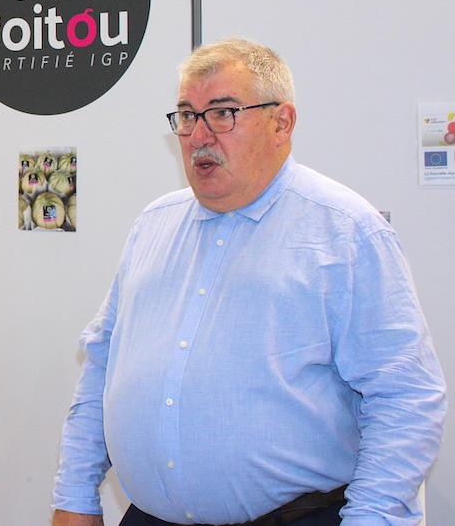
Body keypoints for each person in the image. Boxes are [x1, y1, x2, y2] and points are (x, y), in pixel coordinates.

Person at [51, 38, 446, 526]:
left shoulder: (346, 232)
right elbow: (103, 366)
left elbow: (405, 399)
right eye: (187, 116)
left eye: (223, 113)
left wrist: (371, 519)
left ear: (281, 122)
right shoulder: (153, 225)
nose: (199, 135)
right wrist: (74, 495)